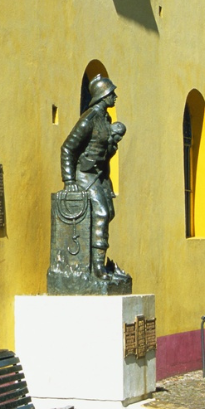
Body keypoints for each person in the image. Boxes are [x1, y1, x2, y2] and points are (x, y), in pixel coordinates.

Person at [59, 74, 130, 287]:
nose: (115, 96)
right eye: (111, 93)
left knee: (110, 212)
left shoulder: (106, 120)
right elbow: (68, 148)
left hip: (99, 175)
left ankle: (93, 261)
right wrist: (69, 179)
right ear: (102, 96)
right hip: (84, 175)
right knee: (101, 212)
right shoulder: (89, 120)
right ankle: (97, 267)